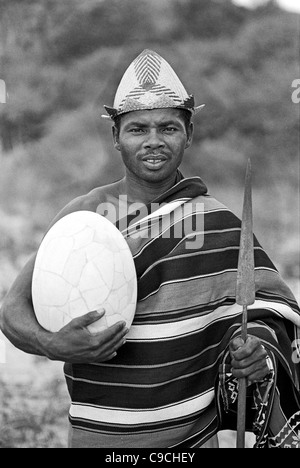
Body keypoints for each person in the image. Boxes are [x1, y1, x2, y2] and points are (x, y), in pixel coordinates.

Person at [1, 49, 300, 449]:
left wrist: (256, 355)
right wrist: (51, 345)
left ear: (189, 134)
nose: (154, 142)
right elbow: (12, 311)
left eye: (168, 128)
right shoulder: (85, 217)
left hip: (192, 440)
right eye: (138, 129)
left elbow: (271, 313)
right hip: (97, 437)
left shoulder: (220, 224)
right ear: (116, 137)